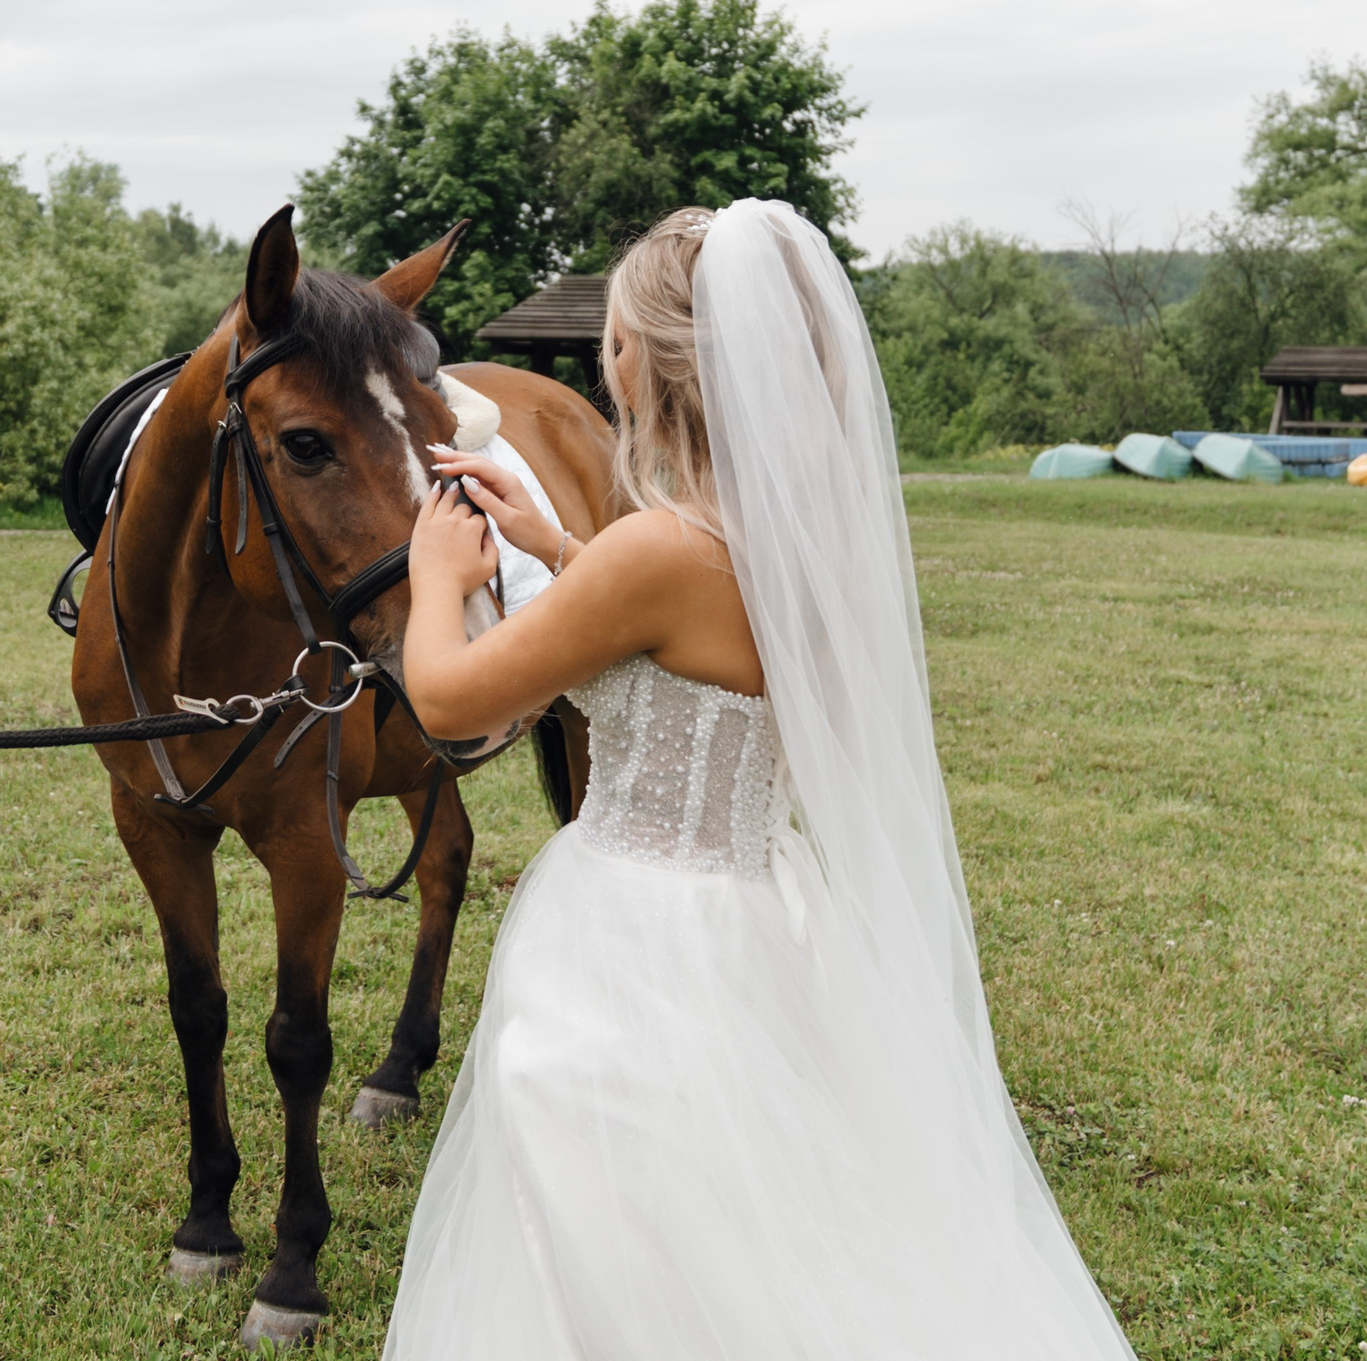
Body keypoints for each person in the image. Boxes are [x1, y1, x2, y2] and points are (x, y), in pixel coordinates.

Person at [381, 201, 1136, 1360]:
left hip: (631, 932)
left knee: (609, 1207)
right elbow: (690, 647)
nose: (604, 357)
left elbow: (448, 700)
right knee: (739, 1206)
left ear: (650, 360)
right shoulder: (790, 540)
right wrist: (553, 545)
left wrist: (439, 575)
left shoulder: (658, 548)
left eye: (615, 336)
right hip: (755, 919)